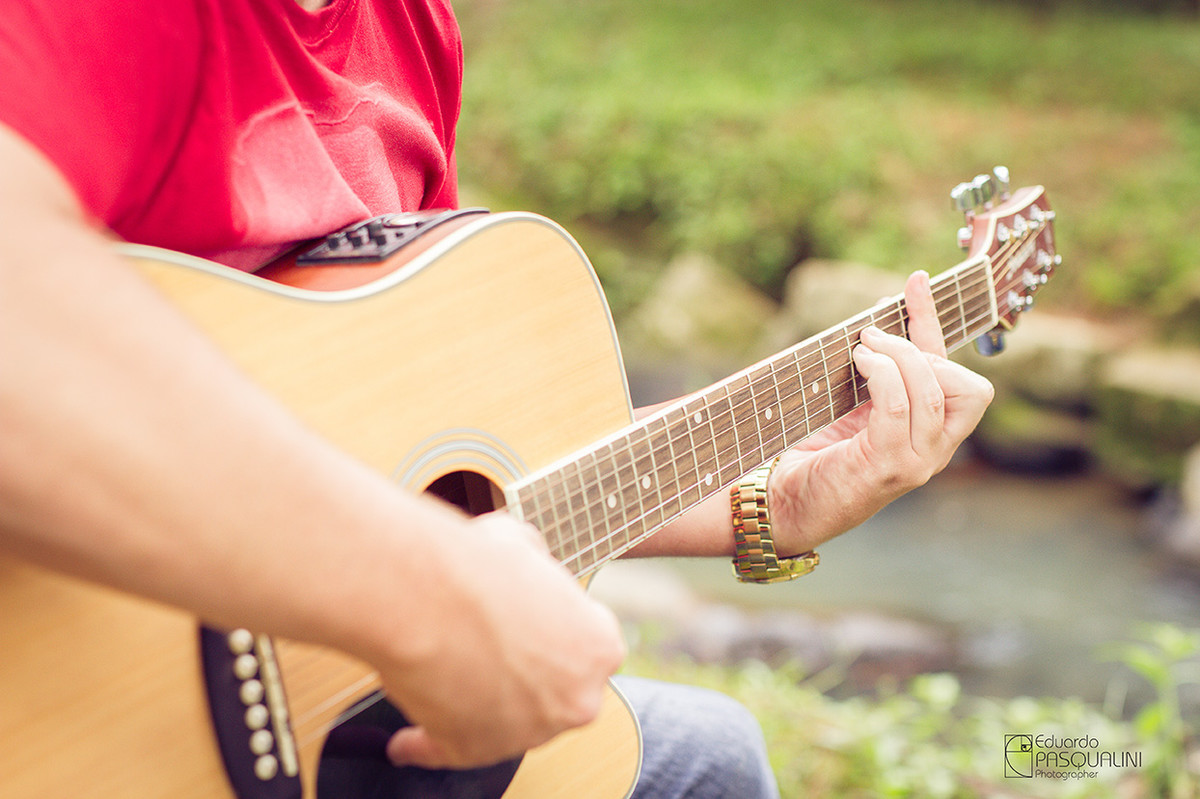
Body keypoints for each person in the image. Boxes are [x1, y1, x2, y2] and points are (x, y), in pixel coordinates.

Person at [0, 1, 994, 797]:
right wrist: (418, 598)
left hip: (343, 732)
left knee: (713, 756)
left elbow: (456, 467)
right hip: (84, 726)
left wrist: (770, 507)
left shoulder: (409, 28)